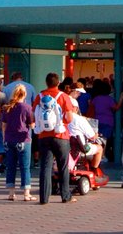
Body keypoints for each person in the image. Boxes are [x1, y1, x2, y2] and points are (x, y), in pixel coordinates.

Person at [33, 72, 78, 203]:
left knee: (45, 167)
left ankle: (44, 198)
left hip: (43, 136)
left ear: (46, 83)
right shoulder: (63, 97)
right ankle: (65, 196)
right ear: (58, 83)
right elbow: (69, 118)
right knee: (63, 166)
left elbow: (33, 115)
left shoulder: (40, 96)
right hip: (61, 136)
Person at [0, 84, 35, 201]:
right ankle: (26, 193)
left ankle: (11, 193)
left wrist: (5, 138)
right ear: (24, 94)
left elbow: (4, 125)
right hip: (23, 139)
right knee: (25, 167)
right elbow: (31, 125)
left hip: (9, 139)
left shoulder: (7, 108)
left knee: (11, 167)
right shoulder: (27, 108)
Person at [87, 79, 116, 161]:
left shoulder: (96, 99)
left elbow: (91, 108)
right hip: (108, 122)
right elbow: (116, 108)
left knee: (98, 139)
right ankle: (103, 156)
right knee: (105, 140)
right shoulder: (109, 99)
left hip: (97, 121)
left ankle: (98, 155)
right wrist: (121, 98)